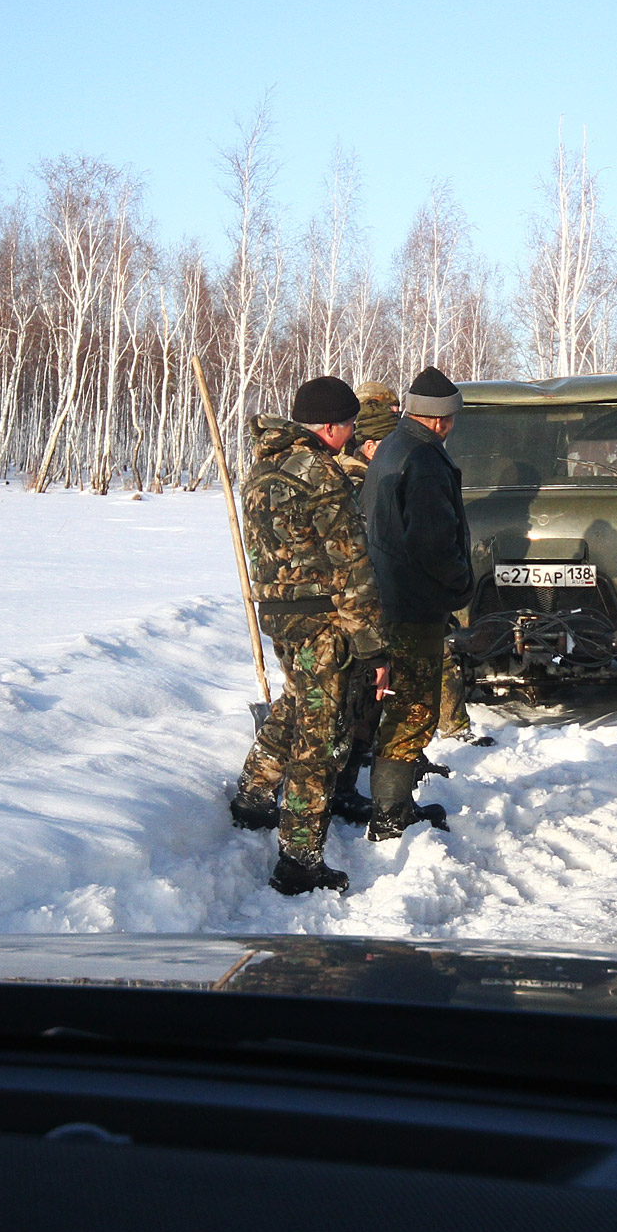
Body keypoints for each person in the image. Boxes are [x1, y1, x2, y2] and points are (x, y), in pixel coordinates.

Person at [228, 376, 391, 896]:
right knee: (319, 739)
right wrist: (372, 644)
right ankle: (299, 859)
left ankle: (254, 795)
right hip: (321, 621)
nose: (350, 434)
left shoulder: (263, 466)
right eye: (347, 425)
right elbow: (351, 566)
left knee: (298, 702)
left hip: (278, 615)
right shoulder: (320, 474)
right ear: (330, 426)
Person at [361, 366, 475, 841]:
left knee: (402, 703)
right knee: (413, 707)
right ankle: (390, 814)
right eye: (452, 419)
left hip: (388, 595)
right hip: (412, 603)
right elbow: (433, 541)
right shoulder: (424, 459)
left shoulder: (391, 446)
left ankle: (390, 804)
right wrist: (460, 584)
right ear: (441, 419)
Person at [327, 381, 398, 825]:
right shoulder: (352, 480)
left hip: (359, 606)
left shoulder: (357, 474)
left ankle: (347, 780)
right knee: (355, 701)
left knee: (363, 700)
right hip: (351, 611)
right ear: (370, 445)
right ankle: (341, 786)